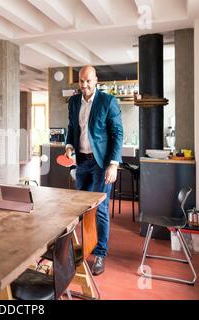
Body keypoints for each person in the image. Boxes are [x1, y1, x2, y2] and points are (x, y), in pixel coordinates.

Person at [64, 66, 123, 275]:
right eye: (81, 81)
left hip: (101, 164)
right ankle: (82, 249)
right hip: (81, 163)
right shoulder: (73, 102)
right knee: (81, 209)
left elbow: (117, 134)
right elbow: (72, 128)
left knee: (101, 209)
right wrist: (69, 147)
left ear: (96, 80)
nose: (84, 85)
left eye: (88, 81)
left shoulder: (108, 102)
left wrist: (113, 164)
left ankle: (100, 254)